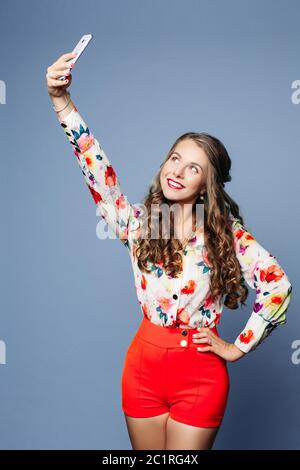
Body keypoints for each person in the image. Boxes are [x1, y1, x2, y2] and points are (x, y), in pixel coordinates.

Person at [46, 52, 293, 450]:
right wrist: (63, 102)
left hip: (200, 377)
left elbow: (278, 286)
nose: (177, 171)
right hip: (142, 369)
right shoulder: (141, 223)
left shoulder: (227, 236)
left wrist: (238, 346)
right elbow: (97, 169)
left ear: (207, 185)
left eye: (193, 168)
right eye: (175, 158)